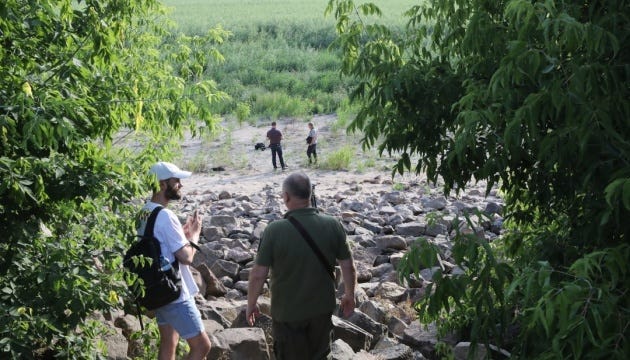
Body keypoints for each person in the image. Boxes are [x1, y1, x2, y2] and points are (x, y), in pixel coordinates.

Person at [246, 172, 357, 359]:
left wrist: (251, 304)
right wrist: (350, 295)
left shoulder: (274, 230)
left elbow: (258, 274)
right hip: (321, 311)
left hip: (288, 314)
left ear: (286, 196)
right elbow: (348, 266)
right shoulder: (332, 224)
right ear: (310, 194)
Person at [139, 161, 211, 359]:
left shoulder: (145, 212)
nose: (181, 184)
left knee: (169, 343)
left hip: (157, 289)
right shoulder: (165, 215)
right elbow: (186, 257)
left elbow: (161, 247)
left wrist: (184, 236)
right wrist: (195, 234)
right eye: (176, 180)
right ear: (162, 185)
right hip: (174, 293)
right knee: (202, 346)